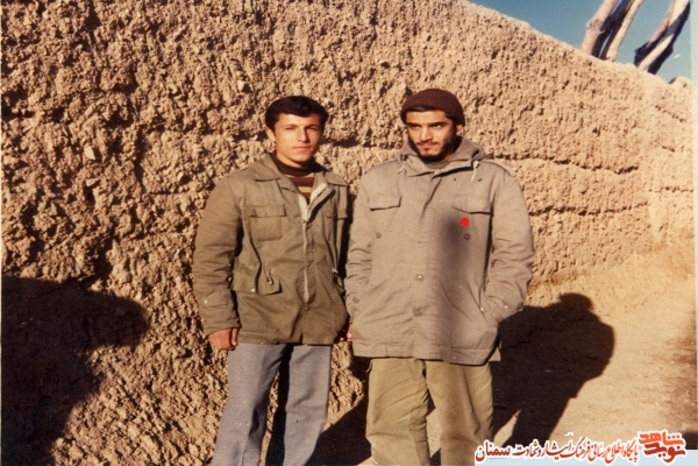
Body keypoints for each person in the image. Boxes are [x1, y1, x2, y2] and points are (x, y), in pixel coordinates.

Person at [345, 88, 535, 465]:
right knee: (390, 429)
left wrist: (489, 312)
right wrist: (361, 306)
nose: (424, 135)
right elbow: (360, 254)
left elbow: (515, 255)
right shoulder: (379, 180)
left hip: (460, 325)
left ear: (458, 126)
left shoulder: (493, 180)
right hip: (389, 324)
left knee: (467, 432)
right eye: (414, 127)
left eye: (436, 125)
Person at [192, 95, 351, 466]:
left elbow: (349, 258)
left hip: (319, 317)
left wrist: (350, 310)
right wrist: (219, 318)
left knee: (305, 411)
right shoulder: (240, 185)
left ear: (322, 133)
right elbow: (211, 257)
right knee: (246, 411)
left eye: (311, 128)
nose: (302, 138)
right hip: (257, 317)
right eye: (291, 129)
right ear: (270, 133)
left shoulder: (337, 188)